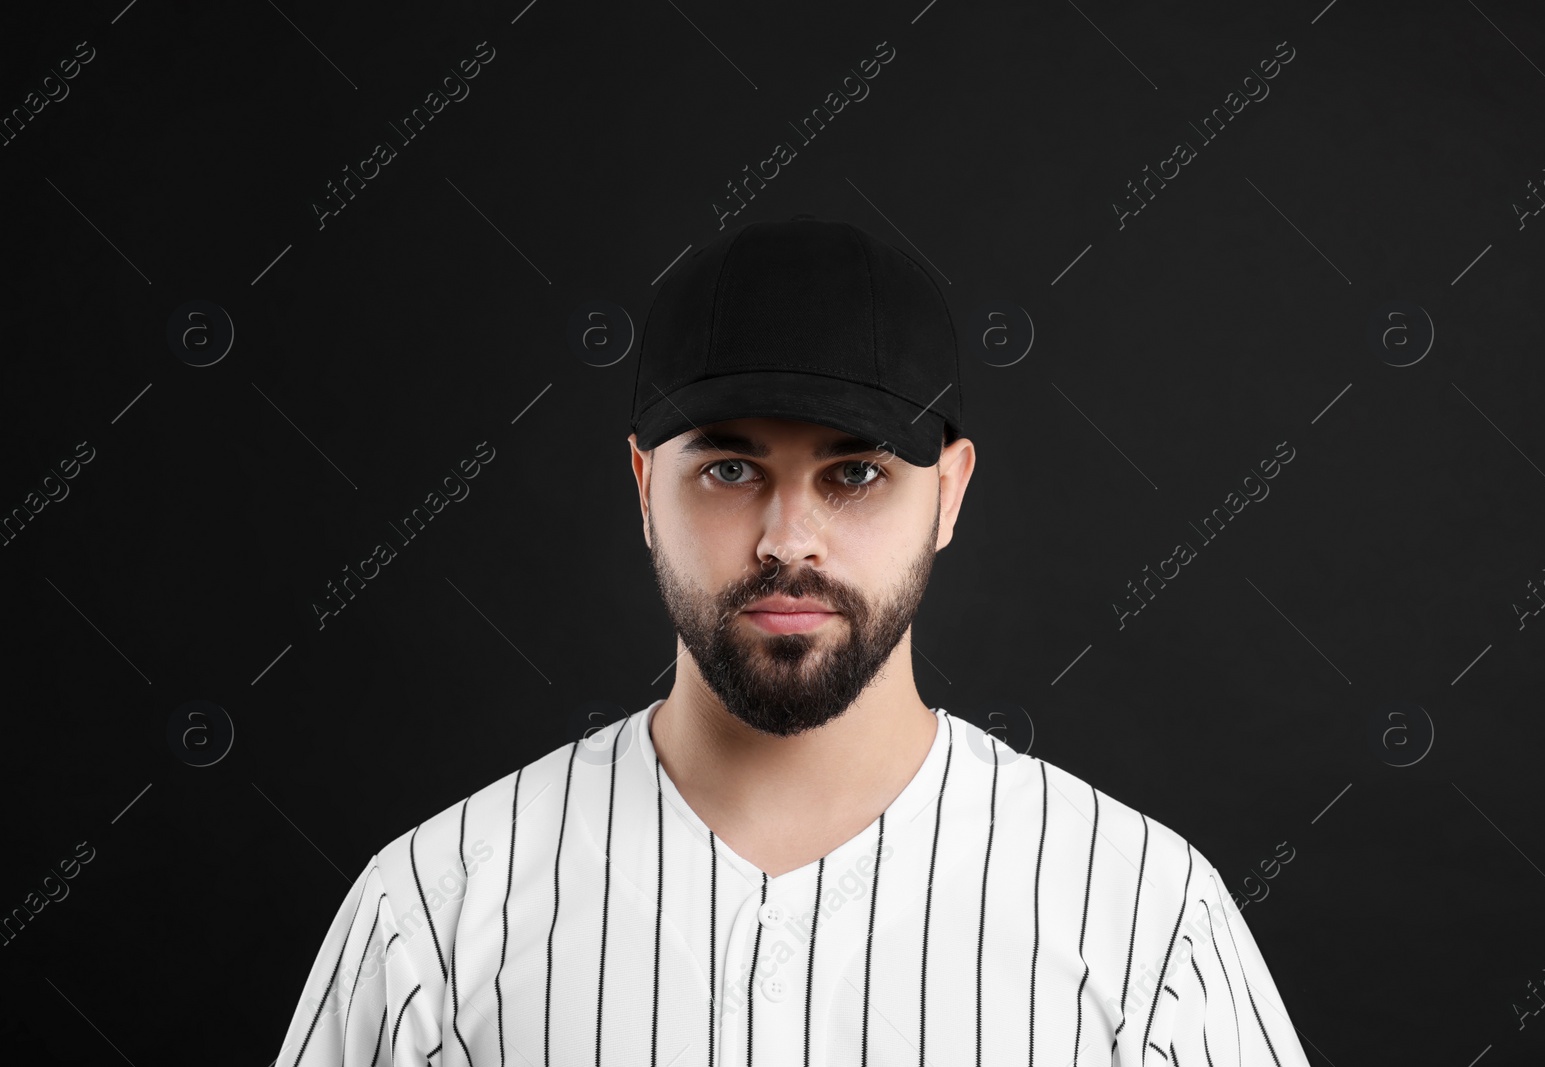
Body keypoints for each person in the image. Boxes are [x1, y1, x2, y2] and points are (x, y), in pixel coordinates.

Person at [273, 214, 1311, 1066]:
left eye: (853, 472)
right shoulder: (436, 913)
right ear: (645, 489)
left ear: (947, 494)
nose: (786, 540)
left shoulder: (1141, 916)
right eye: (729, 468)